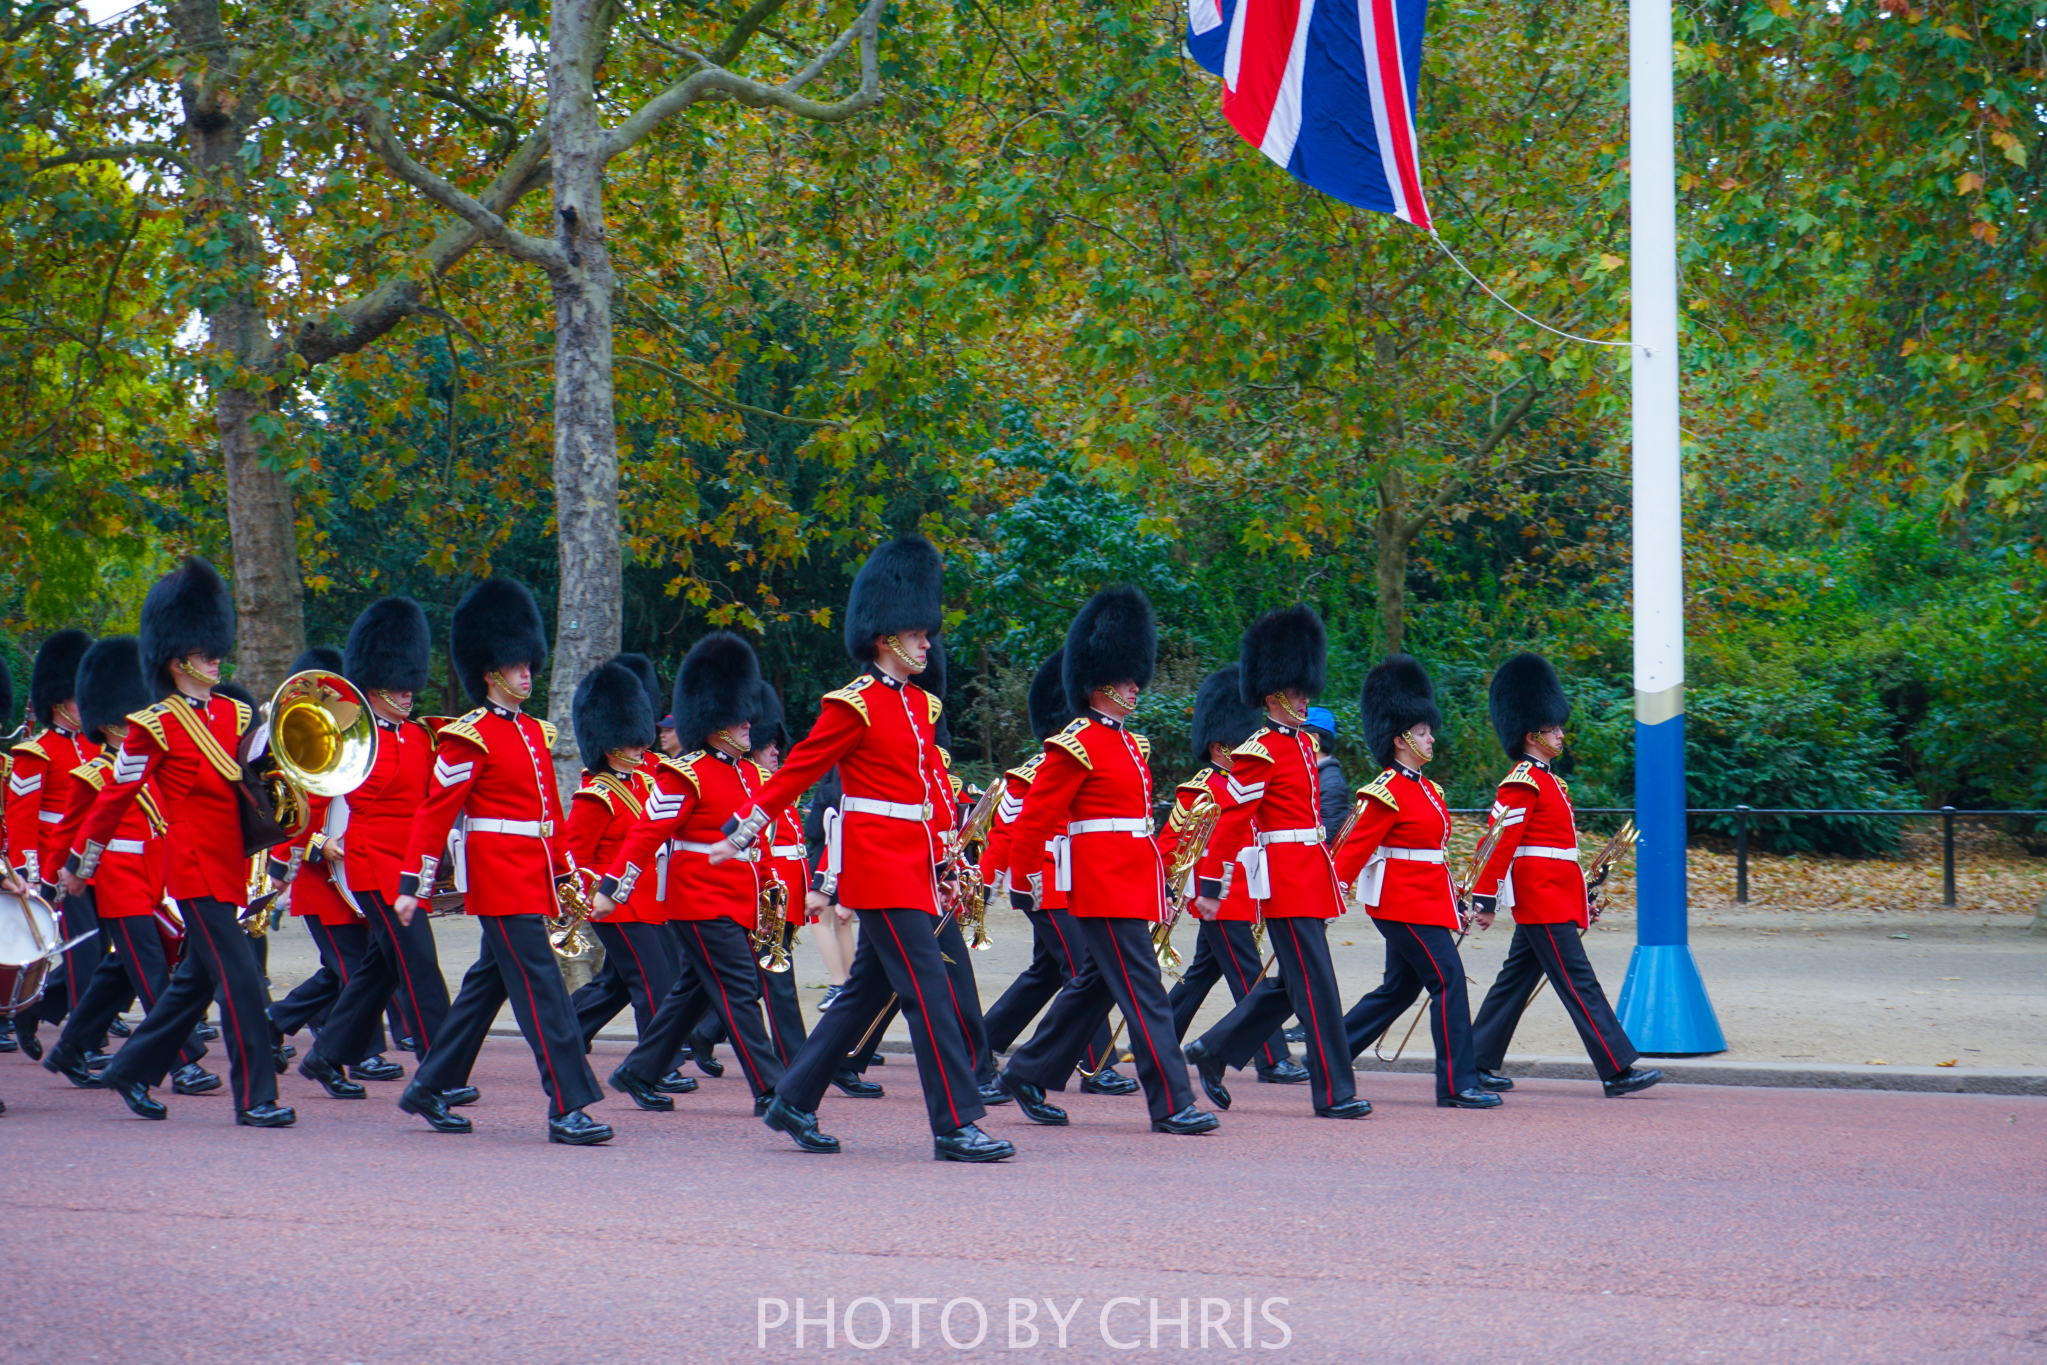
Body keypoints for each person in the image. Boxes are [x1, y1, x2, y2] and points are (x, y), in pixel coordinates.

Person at [711, 535, 1012, 1163]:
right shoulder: (853, 705)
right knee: (928, 991)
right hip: (878, 867)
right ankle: (955, 1123)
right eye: (918, 632)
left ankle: (793, 1098)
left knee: (865, 991)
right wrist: (744, 828)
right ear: (885, 637)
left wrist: (948, 863)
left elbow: (929, 788)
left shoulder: (918, 707)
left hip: (914, 863)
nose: (928, 641)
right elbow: (797, 771)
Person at [390, 577, 612, 1145]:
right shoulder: (470, 738)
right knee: (543, 990)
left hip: (533, 873)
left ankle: (429, 1086)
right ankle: (568, 1104)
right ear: (491, 672)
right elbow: (434, 814)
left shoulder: (536, 732)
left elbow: (550, 814)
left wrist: (565, 876)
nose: (527, 674)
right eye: (516, 667)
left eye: (528, 665)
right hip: (497, 876)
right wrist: (413, 884)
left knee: (486, 986)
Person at [76, 558, 295, 1127]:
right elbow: (114, 797)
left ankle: (130, 1070)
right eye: (204, 652)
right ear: (177, 660)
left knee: (193, 982)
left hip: (231, 862)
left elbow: (258, 780)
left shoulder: (236, 712)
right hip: (194, 866)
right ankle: (256, 1098)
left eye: (214, 649)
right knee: (241, 977)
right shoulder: (156, 725)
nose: (215, 658)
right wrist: (84, 861)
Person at [994, 586, 1217, 1136]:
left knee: (1093, 985)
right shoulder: (1076, 743)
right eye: (1125, 678)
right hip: (1098, 885)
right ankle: (1170, 1102)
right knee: (1145, 992)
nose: (1135, 686)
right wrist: (1023, 881)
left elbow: (1139, 828)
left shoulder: (1126, 743)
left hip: (1127, 880)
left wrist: (1159, 886)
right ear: (1100, 682)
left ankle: (1027, 1071)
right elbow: (1037, 819)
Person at [1182, 605, 1371, 1120]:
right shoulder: (1258, 752)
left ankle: (1214, 1049)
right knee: (1316, 984)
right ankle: (1335, 1092)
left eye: (1304, 690)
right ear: (1272, 697)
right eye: (1296, 691)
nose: (1306, 697)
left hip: (1310, 871)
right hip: (1285, 878)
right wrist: (1210, 885)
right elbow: (1230, 823)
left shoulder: (1302, 745)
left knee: (1292, 984)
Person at [592, 633, 791, 1114]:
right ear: (716, 718)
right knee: (741, 991)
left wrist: (768, 888)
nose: (750, 724)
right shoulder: (687, 774)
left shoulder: (750, 774)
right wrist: (613, 888)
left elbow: (755, 843)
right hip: (698, 903)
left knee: (691, 994)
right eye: (740, 715)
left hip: (736, 903)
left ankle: (639, 1072)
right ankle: (774, 1091)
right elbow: (645, 833)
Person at [1466, 652, 1663, 1100]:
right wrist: (1485, 897)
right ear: (1531, 733)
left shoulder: (1550, 781)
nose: (1560, 733)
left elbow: (1558, 853)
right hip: (1539, 900)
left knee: (1514, 981)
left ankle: (1475, 1060)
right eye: (1553, 728)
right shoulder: (1523, 781)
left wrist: (1581, 896)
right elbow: (1500, 843)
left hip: (1552, 895)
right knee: (1579, 982)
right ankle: (1617, 1069)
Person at [293, 598, 462, 1107]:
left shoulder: (420, 737)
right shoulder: (349, 739)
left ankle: (326, 1054)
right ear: (371, 686)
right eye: (396, 687)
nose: (407, 695)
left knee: (380, 969)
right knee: (420, 966)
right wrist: (318, 845)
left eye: (410, 685)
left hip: (410, 869)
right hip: (368, 865)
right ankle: (441, 1069)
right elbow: (309, 800)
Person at [43, 635, 213, 1094]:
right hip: (118, 885)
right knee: (152, 973)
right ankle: (182, 1062)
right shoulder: (95, 774)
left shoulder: (149, 766)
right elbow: (66, 831)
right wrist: (55, 879)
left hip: (154, 884)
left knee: (119, 974)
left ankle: (70, 1047)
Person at [1332, 655, 1501, 1110]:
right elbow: (1351, 852)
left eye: (1428, 730)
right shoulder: (1384, 790)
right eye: (1423, 732)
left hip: (1426, 902)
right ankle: (1456, 1084)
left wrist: (1457, 902)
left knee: (1399, 990)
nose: (1431, 738)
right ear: (1401, 737)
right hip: (1400, 905)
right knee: (1449, 980)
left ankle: (1329, 1056)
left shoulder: (1429, 790)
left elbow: (1434, 857)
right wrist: (1325, 900)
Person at [976, 651, 1134, 1095]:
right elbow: (1007, 836)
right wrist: (988, 886)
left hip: (1075, 882)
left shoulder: (1091, 755)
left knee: (1045, 973)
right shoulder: (1030, 774)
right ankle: (1093, 1065)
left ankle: (980, 1044)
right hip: (1045, 885)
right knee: (1082, 967)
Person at [267, 646, 405, 1094]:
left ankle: (274, 1021)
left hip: (356, 879)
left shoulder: (354, 748)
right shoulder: (303, 756)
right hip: (322, 884)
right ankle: (358, 1054)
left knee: (344, 970)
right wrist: (318, 844)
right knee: (350, 970)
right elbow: (292, 820)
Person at [1158, 664, 1303, 1084]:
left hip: (1244, 894)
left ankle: (1157, 1040)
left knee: (1202, 973)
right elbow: (1171, 847)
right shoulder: (1203, 788)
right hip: (1219, 898)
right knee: (1249, 975)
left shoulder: (1250, 778)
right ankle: (1271, 1058)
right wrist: (1165, 893)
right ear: (1221, 746)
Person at [6, 629, 100, 1057]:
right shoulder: (36, 754)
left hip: (95, 864)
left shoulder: (93, 749)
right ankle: (86, 1041)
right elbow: (23, 821)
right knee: (88, 953)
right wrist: (32, 875)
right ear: (61, 702)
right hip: (56, 871)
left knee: (94, 948)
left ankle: (33, 1009)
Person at [1303, 705, 1349, 841]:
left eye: (1297, 733)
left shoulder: (1332, 782)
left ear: (1314, 738)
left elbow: (1327, 840)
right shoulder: (1311, 774)